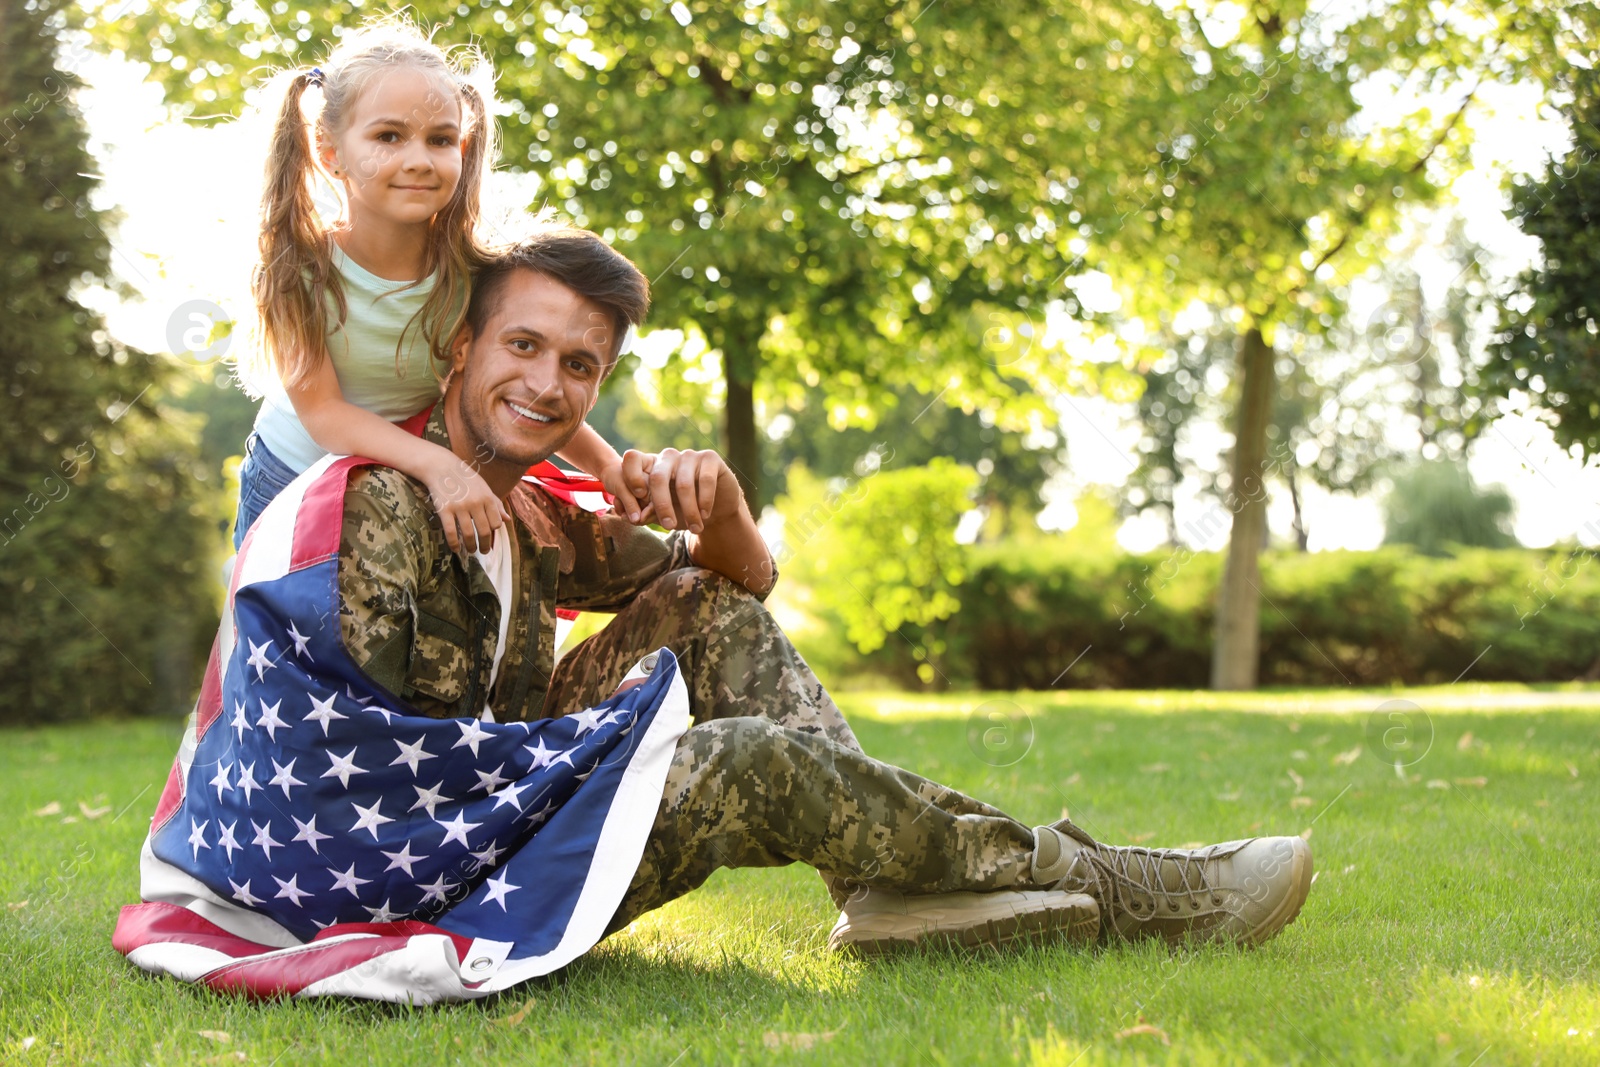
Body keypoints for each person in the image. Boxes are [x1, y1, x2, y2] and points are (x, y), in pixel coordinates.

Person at [117, 227, 1312, 1003]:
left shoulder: (532, 500)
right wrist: (597, 757)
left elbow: (729, 593)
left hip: (489, 804)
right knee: (745, 760)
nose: (546, 383)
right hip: (404, 865)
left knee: (694, 604)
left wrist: (727, 507)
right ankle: (1133, 888)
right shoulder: (385, 496)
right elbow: (384, 748)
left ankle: (890, 883)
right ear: (458, 344)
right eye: (522, 345)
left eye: (579, 366)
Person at [232, 21, 623, 554]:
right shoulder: (295, 269)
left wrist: (608, 467)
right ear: (330, 151)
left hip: (397, 480)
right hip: (290, 476)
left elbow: (528, 385)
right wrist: (440, 467)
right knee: (273, 628)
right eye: (388, 137)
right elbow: (324, 415)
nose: (419, 159)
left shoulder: (474, 269)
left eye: (439, 139)